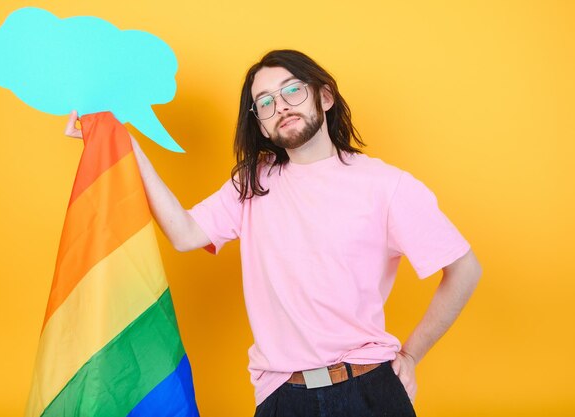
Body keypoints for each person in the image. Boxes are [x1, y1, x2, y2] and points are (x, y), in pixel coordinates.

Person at [65, 49, 481, 416]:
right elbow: (185, 232)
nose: (280, 105)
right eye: (264, 102)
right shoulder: (252, 184)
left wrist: (411, 355)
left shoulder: (388, 185)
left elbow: (464, 269)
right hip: (283, 396)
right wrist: (121, 140)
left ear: (324, 96)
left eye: (291, 91)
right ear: (261, 125)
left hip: (369, 390)